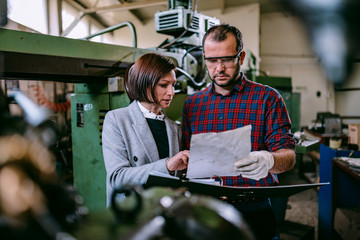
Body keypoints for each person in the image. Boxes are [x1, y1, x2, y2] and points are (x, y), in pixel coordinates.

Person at [181, 24, 296, 239]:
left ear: (241, 57)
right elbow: (186, 160)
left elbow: (288, 157)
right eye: (212, 60)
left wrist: (269, 160)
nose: (219, 68)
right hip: (206, 210)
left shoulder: (267, 99)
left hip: (254, 209)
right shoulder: (192, 105)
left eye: (226, 59)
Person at [102, 53, 189, 207]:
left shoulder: (174, 128)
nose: (171, 92)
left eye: (173, 85)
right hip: (132, 212)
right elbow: (117, 178)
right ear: (145, 84)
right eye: (164, 85)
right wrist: (167, 165)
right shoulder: (117, 120)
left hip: (165, 213)